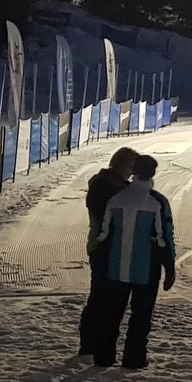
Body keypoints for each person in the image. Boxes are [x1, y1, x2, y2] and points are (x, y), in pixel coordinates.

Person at [85, 153, 175, 370]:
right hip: (145, 269)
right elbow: (164, 237)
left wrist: (100, 256)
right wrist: (169, 266)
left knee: (112, 313)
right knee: (140, 316)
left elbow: (104, 233)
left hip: (116, 266)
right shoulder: (157, 201)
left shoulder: (117, 198)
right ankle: (134, 358)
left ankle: (103, 356)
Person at [77, 147, 140, 356]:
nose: (133, 172)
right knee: (101, 296)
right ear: (123, 165)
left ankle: (95, 341)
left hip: (109, 246)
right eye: (132, 167)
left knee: (105, 296)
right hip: (104, 247)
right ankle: (90, 343)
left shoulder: (111, 184)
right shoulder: (107, 186)